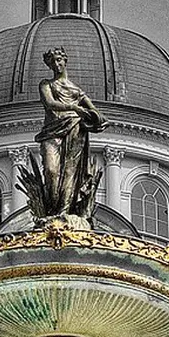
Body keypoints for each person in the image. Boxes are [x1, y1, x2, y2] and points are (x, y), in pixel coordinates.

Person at [35, 48, 108, 217]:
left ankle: (64, 211)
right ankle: (52, 211)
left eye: (59, 60)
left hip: (75, 129)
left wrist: (98, 119)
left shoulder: (76, 90)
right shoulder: (46, 84)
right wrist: (74, 107)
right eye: (52, 62)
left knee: (71, 171)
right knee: (51, 170)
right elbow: (50, 103)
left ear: (65, 60)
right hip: (52, 131)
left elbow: (96, 112)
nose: (56, 64)